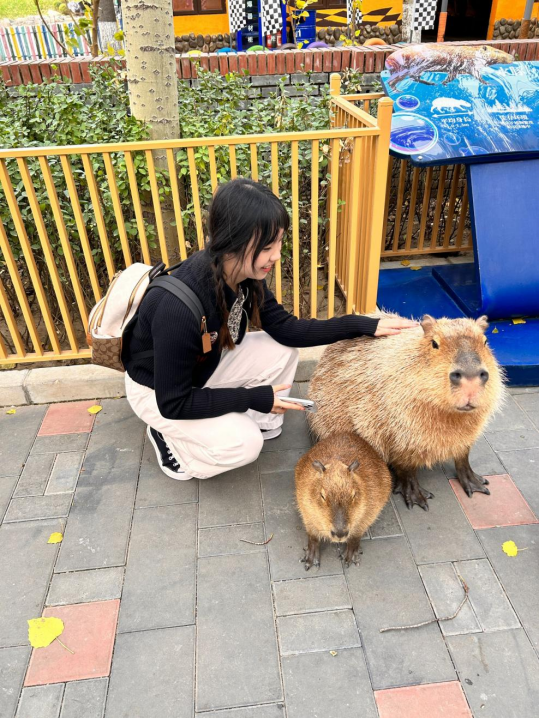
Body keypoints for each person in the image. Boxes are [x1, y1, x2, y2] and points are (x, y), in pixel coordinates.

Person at [122, 178, 417, 480]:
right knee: (245, 445)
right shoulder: (176, 308)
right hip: (159, 393)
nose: (276, 255)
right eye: (266, 247)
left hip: (202, 369)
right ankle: (171, 443)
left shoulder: (242, 274)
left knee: (281, 349)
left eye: (278, 243)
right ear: (232, 243)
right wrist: (252, 397)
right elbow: (174, 402)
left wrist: (363, 325)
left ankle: (254, 421)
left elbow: (287, 330)